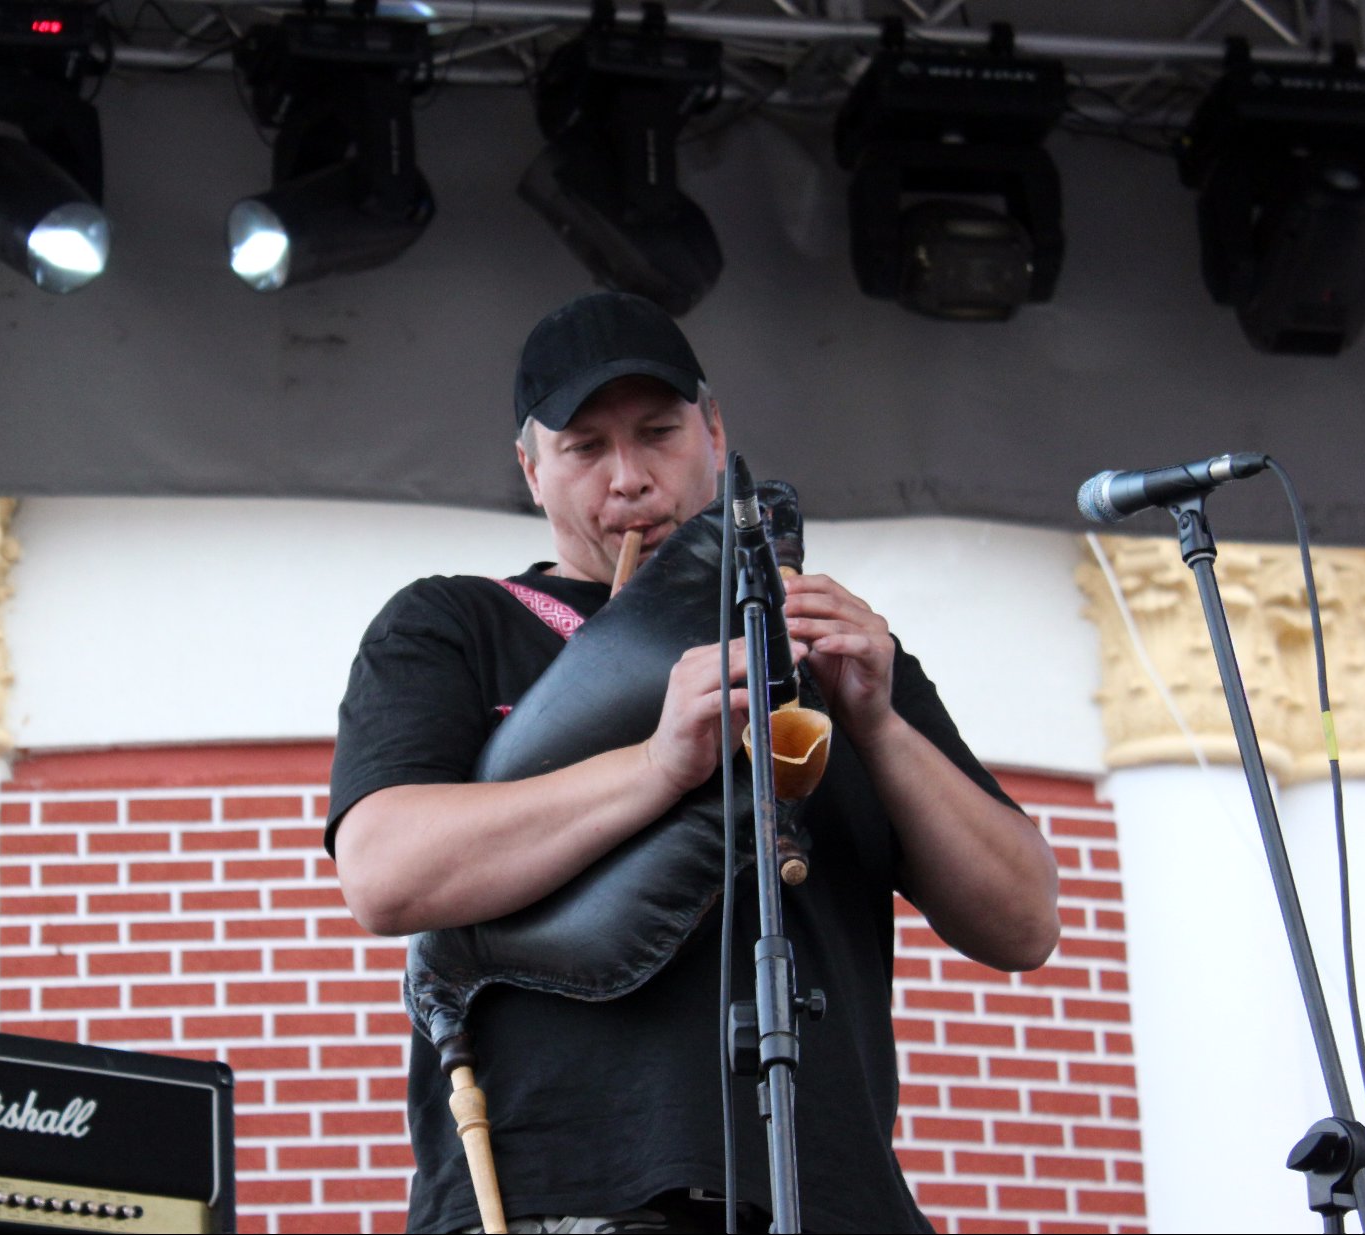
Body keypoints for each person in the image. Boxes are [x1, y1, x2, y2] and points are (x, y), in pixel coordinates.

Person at [325, 291, 1060, 1234]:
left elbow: (1025, 922)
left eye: (658, 433)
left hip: (828, 1195)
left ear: (713, 432)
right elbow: (384, 872)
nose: (629, 479)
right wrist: (656, 764)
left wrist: (876, 724)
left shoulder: (828, 647)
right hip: (558, 1193)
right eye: (584, 449)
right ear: (531, 471)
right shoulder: (454, 623)